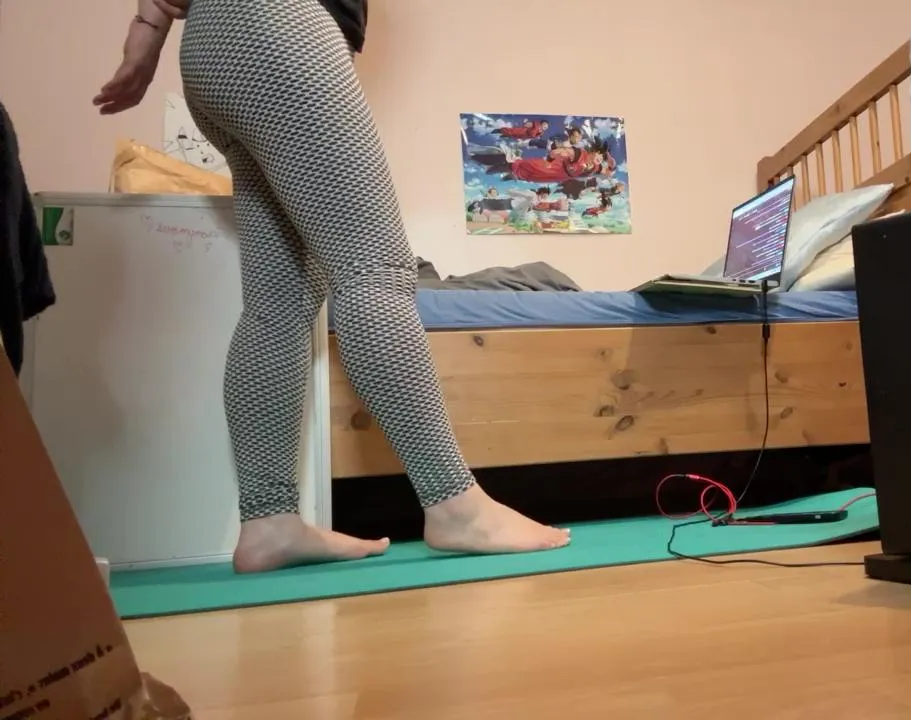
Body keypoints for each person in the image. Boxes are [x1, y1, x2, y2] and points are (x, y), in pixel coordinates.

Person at [94, 0, 570, 573]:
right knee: (375, 270)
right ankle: (455, 505)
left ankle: (269, 521)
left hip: (213, 46)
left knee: (278, 303)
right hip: (276, 28)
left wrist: (147, 31)